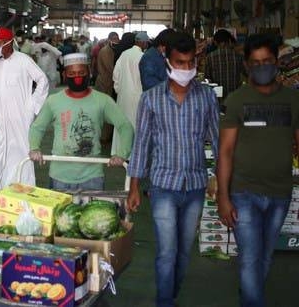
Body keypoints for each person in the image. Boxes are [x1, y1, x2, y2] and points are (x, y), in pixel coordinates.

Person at [127, 32, 219, 307]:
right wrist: (134, 186)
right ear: (168, 62)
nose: (185, 69)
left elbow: (217, 140)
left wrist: (218, 179)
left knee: (183, 253)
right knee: (167, 252)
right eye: (180, 63)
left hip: (194, 186)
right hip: (163, 186)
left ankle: (172, 293)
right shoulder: (152, 99)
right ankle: (164, 302)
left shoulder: (206, 98)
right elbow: (141, 144)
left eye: (190, 63)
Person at [217, 34, 299, 307]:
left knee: (264, 258)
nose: (262, 67)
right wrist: (223, 197)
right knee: (251, 258)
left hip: (280, 193)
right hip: (244, 192)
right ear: (246, 65)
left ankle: (249, 297)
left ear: (277, 62)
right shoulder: (238, 100)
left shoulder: (292, 100)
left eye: (267, 61)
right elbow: (225, 151)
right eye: (256, 63)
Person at [28, 53, 133, 195]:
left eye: (81, 72)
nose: (77, 77)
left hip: (92, 176)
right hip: (60, 175)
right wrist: (34, 148)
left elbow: (125, 126)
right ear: (65, 75)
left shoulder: (103, 100)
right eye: (72, 73)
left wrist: (121, 154)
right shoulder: (53, 101)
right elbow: (37, 128)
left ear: (88, 73)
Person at [0, 27, 49, 209]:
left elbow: (43, 80)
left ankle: (23, 192)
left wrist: (32, 106)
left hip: (20, 116)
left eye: (0, 42)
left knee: (20, 153)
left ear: (10, 43)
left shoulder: (23, 61)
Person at [111, 32, 149, 156]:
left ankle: (120, 152)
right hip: (137, 95)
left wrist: (119, 90)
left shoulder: (124, 54)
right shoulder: (142, 57)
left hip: (123, 96)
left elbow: (116, 74)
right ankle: (133, 154)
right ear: (142, 42)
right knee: (135, 124)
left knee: (122, 123)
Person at [205, 29, 245, 98]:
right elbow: (246, 73)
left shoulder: (210, 57)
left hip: (218, 96)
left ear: (215, 42)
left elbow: (207, 78)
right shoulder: (238, 56)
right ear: (229, 41)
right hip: (235, 96)